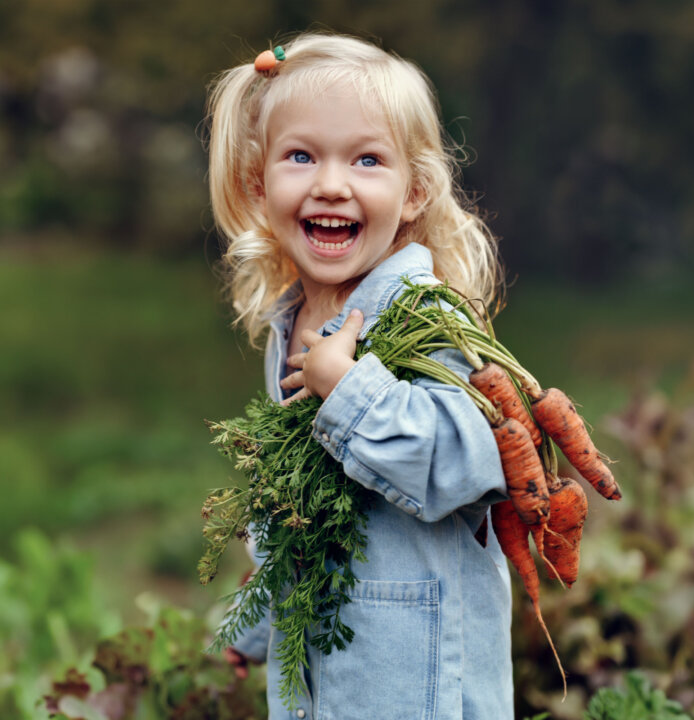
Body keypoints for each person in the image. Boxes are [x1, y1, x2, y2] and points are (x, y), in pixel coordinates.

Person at [204, 32, 513, 719]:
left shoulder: (425, 317)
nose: (332, 183)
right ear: (261, 186)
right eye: (301, 156)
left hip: (416, 680)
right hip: (322, 680)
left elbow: (469, 463)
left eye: (367, 159)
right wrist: (251, 626)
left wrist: (348, 389)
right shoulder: (294, 319)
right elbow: (299, 510)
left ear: (415, 193)